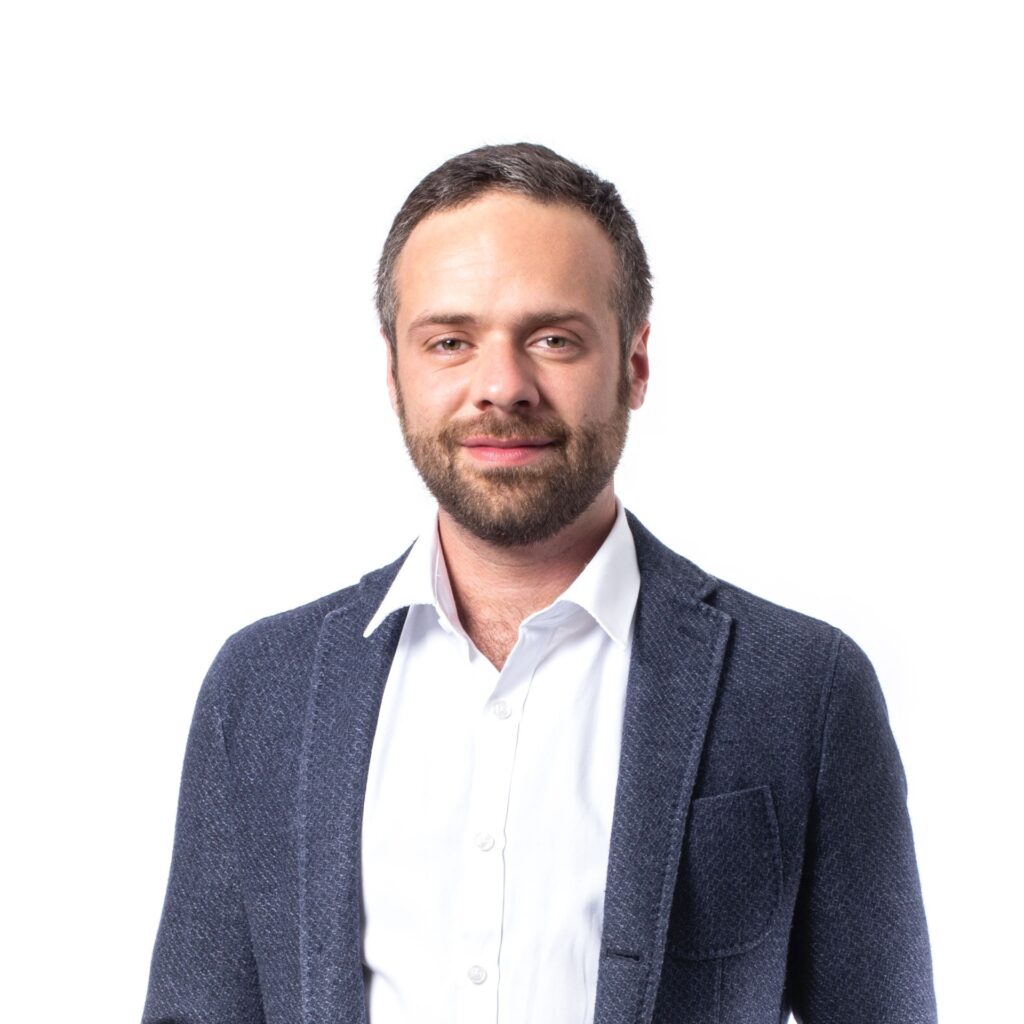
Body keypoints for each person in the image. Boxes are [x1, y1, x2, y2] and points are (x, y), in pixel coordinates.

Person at [142, 143, 937, 1024]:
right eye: (450, 341)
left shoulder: (804, 689)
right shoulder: (263, 689)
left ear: (634, 363)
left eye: (554, 339)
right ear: (395, 371)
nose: (502, 386)